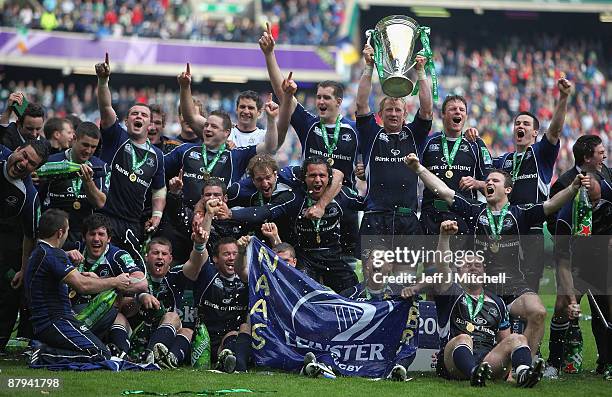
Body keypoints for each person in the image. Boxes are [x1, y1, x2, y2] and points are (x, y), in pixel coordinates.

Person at [403, 153, 589, 358]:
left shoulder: (520, 214)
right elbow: (445, 192)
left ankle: (523, 366)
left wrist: (572, 188)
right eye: (488, 180)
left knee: (538, 312)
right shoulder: (475, 210)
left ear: (507, 189)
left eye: (495, 181)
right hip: (481, 287)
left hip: (512, 285)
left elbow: (551, 204)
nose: (489, 183)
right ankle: (453, 353)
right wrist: (418, 169)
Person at [263, 22, 361, 257]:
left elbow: (368, 159)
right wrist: (269, 54)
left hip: (344, 200)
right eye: (318, 97)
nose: (321, 102)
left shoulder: (355, 129)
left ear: (339, 102)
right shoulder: (309, 124)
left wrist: (364, 168)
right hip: (311, 197)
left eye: (327, 97)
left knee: (349, 260)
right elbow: (283, 92)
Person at [407, 220, 544, 387]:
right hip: (452, 361)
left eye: (478, 265)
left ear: (484, 272)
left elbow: (505, 342)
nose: (473, 268)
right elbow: (442, 265)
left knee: (518, 338)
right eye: (467, 265)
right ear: (457, 271)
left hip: (487, 361)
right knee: (464, 338)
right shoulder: (450, 292)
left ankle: (524, 373)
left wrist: (507, 373)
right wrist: (444, 237)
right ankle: (473, 372)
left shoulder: (497, 302)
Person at [494, 78, 572, 291]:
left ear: (535, 133)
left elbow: (555, 131)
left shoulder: (541, 153)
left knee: (528, 288)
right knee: (502, 287)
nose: (520, 126)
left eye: (526, 124)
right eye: (517, 123)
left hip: (532, 230)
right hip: (506, 229)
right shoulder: (503, 160)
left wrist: (563, 98)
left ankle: (527, 324)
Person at [355, 43, 432, 260]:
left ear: (405, 115)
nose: (394, 113)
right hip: (375, 217)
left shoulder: (413, 135)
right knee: (374, 279)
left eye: (398, 110)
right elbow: (361, 105)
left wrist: (421, 72)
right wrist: (368, 67)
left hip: (406, 219)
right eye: (389, 109)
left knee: (404, 279)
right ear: (380, 114)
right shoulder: (371, 134)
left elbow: (426, 110)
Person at [24, 208, 130, 365]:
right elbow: (83, 285)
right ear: (60, 233)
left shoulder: (39, 252)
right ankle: (44, 355)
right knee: (100, 355)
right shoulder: (53, 254)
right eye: (67, 230)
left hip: (46, 322)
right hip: (55, 322)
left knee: (99, 352)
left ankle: (43, 348)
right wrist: (115, 281)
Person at [169, 64, 279, 208]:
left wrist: (272, 119)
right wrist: (185, 87)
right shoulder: (221, 130)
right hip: (218, 198)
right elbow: (190, 117)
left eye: (251, 108)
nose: (246, 111)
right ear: (236, 109)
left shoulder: (264, 135)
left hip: (250, 201)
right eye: (242, 107)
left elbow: (271, 147)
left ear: (259, 112)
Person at [95, 53, 166, 259]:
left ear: (150, 124)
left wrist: (156, 215)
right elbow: (106, 107)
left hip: (131, 223)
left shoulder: (157, 156)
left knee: (126, 279)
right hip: (104, 216)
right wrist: (103, 81)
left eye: (144, 115)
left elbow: (159, 189)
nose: (139, 117)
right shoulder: (116, 136)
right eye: (134, 114)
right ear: (126, 121)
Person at [545, 176, 612, 379]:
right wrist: (572, 300)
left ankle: (607, 362)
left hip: (605, 267)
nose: (596, 205)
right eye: (592, 202)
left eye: (599, 200)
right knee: (561, 305)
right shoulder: (566, 217)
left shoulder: (608, 209)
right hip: (577, 270)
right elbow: (562, 263)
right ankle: (554, 363)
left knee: (608, 308)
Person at [420, 95, 492, 239]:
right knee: (431, 261)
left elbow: (491, 187)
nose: (458, 112)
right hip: (431, 215)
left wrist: (477, 183)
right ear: (443, 115)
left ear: (466, 116)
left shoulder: (475, 144)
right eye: (452, 109)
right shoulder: (428, 142)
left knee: (461, 261)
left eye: (462, 110)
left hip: (464, 215)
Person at [0, 140, 48, 352]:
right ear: (17, 150)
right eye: (24, 156)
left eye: (31, 163)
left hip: (5, 246)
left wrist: (23, 268)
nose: (24, 163)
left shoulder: (29, 195)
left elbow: (30, 236)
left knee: (7, 293)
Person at [66, 214, 148, 338]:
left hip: (102, 312)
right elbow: (43, 255)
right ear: (84, 237)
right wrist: (64, 255)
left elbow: (141, 283)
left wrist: (100, 282)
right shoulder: (75, 250)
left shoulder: (118, 255)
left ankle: (119, 353)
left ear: (109, 238)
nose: (96, 239)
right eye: (92, 234)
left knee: (119, 315)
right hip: (70, 309)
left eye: (101, 234)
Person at [39, 122, 109, 246]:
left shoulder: (101, 167)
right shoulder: (51, 162)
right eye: (85, 145)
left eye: (93, 147)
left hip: (84, 235)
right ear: (74, 138)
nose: (88, 151)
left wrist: (88, 182)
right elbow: (39, 197)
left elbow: (100, 203)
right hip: (54, 233)